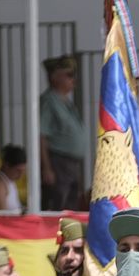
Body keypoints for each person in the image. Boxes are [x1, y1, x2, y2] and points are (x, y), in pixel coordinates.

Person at [39, 55, 85, 211]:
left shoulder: (65, 101)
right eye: (69, 75)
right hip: (57, 161)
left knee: (70, 204)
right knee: (57, 203)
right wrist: (47, 168)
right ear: (54, 77)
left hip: (71, 163)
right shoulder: (49, 101)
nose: (73, 80)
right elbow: (41, 136)